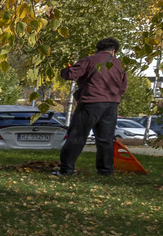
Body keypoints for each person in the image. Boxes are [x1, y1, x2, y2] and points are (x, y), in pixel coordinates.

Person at [54, 37, 127, 177]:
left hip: (90, 102)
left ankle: (66, 169)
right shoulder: (120, 64)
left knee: (77, 136)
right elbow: (123, 87)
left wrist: (65, 70)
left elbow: (71, 74)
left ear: (98, 48)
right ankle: (105, 171)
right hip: (111, 105)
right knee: (106, 139)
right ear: (113, 51)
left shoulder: (89, 60)